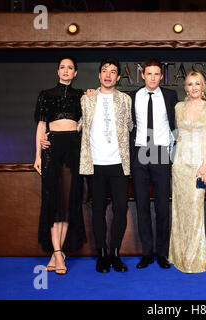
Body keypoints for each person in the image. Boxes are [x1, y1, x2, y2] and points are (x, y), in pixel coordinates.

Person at [79, 57, 133, 273]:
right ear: (99, 75)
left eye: (113, 71)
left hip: (119, 163)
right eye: (104, 71)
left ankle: (115, 253)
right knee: (98, 210)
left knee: (121, 209)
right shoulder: (87, 99)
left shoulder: (125, 100)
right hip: (95, 164)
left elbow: (129, 125)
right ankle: (101, 254)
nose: (108, 75)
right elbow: (80, 124)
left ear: (118, 77)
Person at [34, 56, 86, 275]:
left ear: (75, 73)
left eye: (70, 68)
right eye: (62, 67)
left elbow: (86, 124)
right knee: (53, 202)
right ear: (57, 71)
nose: (66, 71)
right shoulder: (45, 95)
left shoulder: (82, 96)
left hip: (74, 148)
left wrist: (91, 97)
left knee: (67, 201)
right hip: (52, 147)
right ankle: (57, 252)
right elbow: (41, 126)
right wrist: (37, 154)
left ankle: (58, 252)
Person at [129, 59, 178, 269]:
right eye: (149, 74)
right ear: (143, 75)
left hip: (160, 152)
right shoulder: (132, 97)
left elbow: (176, 126)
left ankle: (162, 253)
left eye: (156, 74)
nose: (152, 78)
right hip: (140, 152)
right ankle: (147, 253)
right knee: (141, 206)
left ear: (161, 76)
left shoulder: (170, 96)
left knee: (161, 207)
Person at [168, 71, 206, 273]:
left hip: (199, 164)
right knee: (180, 211)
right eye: (190, 84)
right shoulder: (178, 107)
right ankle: (179, 254)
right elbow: (177, 136)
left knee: (196, 210)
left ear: (203, 86)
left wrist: (205, 164)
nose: (194, 87)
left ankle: (195, 257)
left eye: (198, 83)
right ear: (185, 87)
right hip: (179, 164)